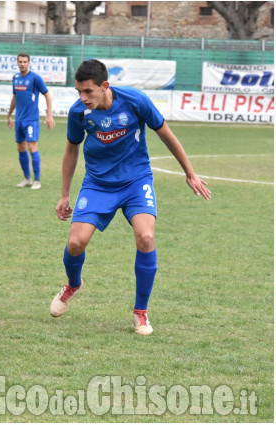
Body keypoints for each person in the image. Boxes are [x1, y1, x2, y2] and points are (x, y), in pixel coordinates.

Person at [50, 59, 211, 335]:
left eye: (88, 91)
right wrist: (65, 194)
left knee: (146, 237)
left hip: (136, 181)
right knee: (76, 243)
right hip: (97, 184)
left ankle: (141, 312)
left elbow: (166, 134)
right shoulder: (79, 113)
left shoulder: (136, 101)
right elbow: (71, 150)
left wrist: (190, 173)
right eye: (79, 91)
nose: (83, 97)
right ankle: (73, 284)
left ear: (105, 86)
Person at [6, 52, 55, 190]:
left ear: (29, 63)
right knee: (20, 148)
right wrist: (9, 115)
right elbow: (14, 98)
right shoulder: (15, 78)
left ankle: (37, 180)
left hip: (31, 119)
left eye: (25, 62)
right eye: (20, 62)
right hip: (19, 119)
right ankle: (27, 178)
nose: (22, 64)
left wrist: (49, 115)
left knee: (32, 147)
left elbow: (47, 95)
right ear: (17, 63)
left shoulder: (35, 78)